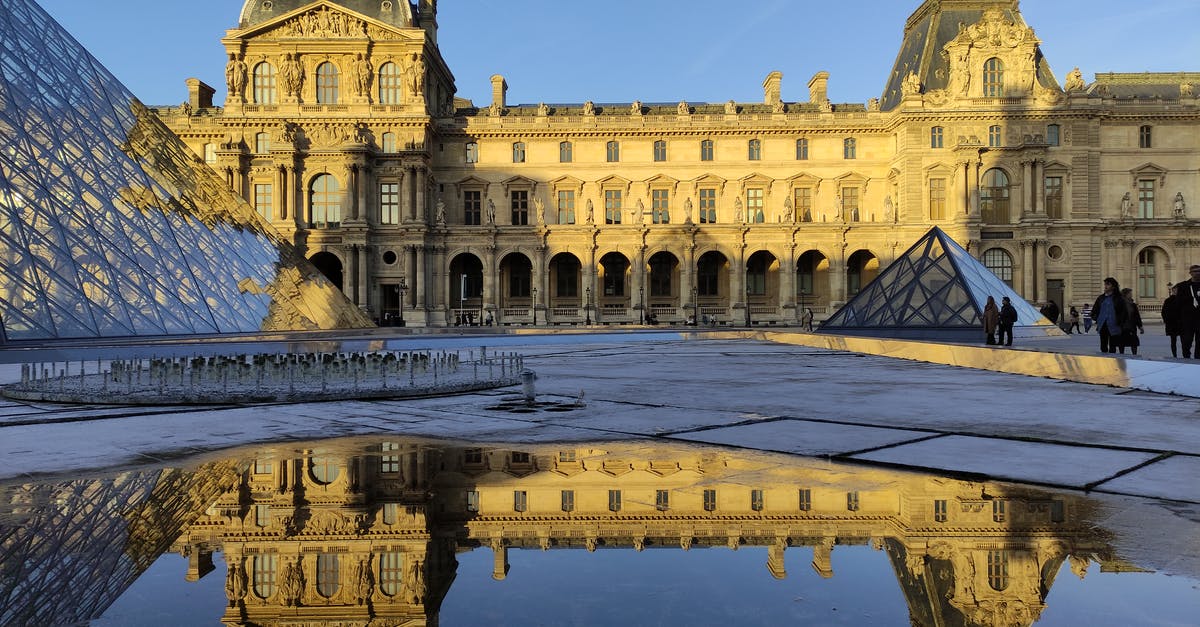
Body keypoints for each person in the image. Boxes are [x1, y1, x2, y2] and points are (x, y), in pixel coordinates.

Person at [1091, 277, 1128, 354]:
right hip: (1103, 324)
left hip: (1114, 325)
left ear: (1113, 287)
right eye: (1105, 284)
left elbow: (1123, 312)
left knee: (1113, 346)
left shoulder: (1119, 298)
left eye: (1108, 284)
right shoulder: (1101, 298)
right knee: (1103, 346)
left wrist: (1121, 322)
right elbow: (1095, 309)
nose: (1105, 286)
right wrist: (1096, 318)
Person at [1176, 265, 1200, 358]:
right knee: (1186, 341)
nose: (1197, 273)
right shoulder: (1183, 286)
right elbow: (1178, 304)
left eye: (1199, 271)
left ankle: (1198, 361)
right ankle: (1186, 358)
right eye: (1195, 271)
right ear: (1190, 273)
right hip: (1187, 320)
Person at [1119, 288, 1144, 355]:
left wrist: (1140, 326)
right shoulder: (1120, 304)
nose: (1131, 295)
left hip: (1131, 326)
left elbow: (1137, 316)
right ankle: (1121, 355)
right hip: (1123, 327)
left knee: (1134, 342)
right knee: (1122, 343)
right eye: (1130, 294)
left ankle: (1134, 355)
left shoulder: (1133, 305)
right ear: (1125, 294)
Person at [1162, 285, 1181, 357]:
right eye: (1175, 290)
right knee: (1173, 341)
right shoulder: (1168, 300)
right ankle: (1175, 355)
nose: (1177, 291)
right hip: (1173, 323)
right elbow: (1163, 312)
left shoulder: (1181, 299)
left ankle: (1184, 354)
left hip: (1179, 323)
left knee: (1184, 341)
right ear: (1173, 291)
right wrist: (1166, 320)